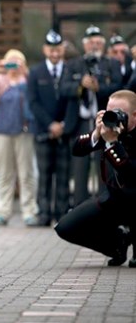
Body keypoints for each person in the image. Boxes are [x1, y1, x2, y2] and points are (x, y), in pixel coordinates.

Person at [55, 89, 136, 267]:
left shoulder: (116, 135)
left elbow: (130, 172)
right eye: (109, 112)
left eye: (118, 113)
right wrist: (97, 134)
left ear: (135, 115)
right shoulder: (110, 129)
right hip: (114, 200)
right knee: (65, 227)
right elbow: (76, 149)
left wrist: (112, 143)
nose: (113, 117)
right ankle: (117, 244)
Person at [59, 25, 122, 206]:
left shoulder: (112, 64)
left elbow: (118, 88)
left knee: (104, 164)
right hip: (79, 121)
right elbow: (63, 89)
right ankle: (80, 206)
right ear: (85, 45)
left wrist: (99, 87)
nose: (94, 46)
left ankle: (104, 205)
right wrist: (80, 85)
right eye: (91, 43)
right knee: (80, 167)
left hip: (104, 122)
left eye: (98, 42)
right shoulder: (73, 64)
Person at [0, 49, 38, 226]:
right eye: (10, 61)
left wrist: (25, 72)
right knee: (5, 173)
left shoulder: (27, 80)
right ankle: (3, 211)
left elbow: (36, 93)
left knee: (26, 172)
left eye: (17, 61)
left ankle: (29, 211)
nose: (13, 65)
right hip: (2, 131)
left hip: (24, 131)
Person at [27, 30, 75, 227]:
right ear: (45, 50)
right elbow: (33, 102)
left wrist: (64, 125)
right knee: (45, 174)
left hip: (65, 131)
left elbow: (74, 100)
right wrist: (50, 124)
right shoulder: (36, 72)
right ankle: (44, 213)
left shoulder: (71, 71)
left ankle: (62, 213)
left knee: (63, 174)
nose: (55, 54)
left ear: (62, 50)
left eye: (58, 50)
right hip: (43, 132)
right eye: (51, 50)